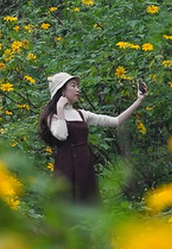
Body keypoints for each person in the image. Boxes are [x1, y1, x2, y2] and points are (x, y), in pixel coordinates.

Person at [38, 72, 148, 204]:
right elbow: (61, 136)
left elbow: (115, 121)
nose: (77, 89)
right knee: (67, 205)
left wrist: (139, 101)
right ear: (62, 90)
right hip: (66, 167)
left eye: (77, 86)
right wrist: (60, 108)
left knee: (88, 205)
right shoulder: (53, 117)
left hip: (84, 164)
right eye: (73, 86)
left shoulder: (81, 114)